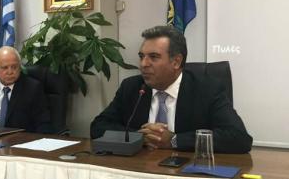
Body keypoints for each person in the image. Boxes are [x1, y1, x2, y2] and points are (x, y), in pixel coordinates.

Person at [90, 25, 253, 153]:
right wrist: (139, 137)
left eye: (153, 57)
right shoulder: (131, 87)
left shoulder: (207, 89)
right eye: (141, 56)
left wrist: (175, 140)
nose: (143, 64)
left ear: (176, 62)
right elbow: (98, 126)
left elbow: (239, 138)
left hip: (186, 173)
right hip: (140, 168)